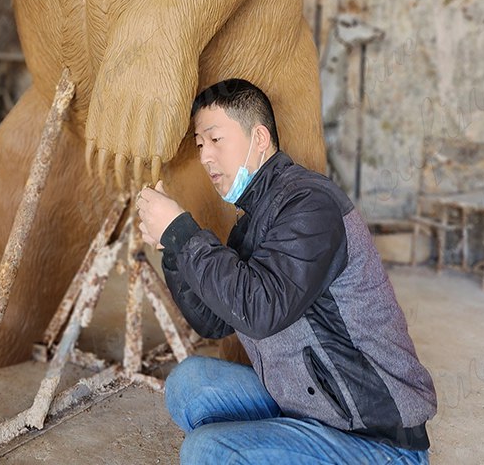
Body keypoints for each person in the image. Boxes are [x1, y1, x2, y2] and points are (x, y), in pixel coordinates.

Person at [137, 78, 436, 465]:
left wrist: (183, 231)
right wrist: (174, 249)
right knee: (189, 383)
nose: (206, 157)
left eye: (215, 140)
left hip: (374, 437)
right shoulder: (254, 218)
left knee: (208, 450)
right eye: (199, 145)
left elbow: (262, 310)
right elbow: (214, 320)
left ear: (259, 138)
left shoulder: (311, 205)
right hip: (309, 406)